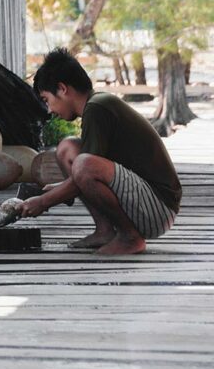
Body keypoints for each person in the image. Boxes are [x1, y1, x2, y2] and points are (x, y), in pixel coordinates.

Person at [20, 47, 181, 256]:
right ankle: (105, 231)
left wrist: (44, 202)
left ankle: (130, 237)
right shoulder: (96, 106)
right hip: (145, 201)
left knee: (84, 163)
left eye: (46, 100)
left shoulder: (98, 108)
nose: (49, 110)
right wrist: (60, 188)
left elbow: (86, 170)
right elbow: (85, 172)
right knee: (67, 148)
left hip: (158, 208)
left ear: (62, 89)